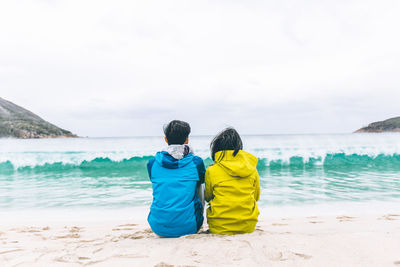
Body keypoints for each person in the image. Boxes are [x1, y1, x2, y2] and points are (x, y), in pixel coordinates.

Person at [147, 120, 205, 237]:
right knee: (199, 184)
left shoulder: (152, 163)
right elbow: (201, 182)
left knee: (161, 184)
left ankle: (164, 217)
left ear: (166, 139)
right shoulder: (195, 162)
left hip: (157, 227)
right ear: (187, 140)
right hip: (190, 227)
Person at [205, 127, 260, 235]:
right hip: (248, 227)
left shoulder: (212, 170)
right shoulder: (251, 169)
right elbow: (256, 197)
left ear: (216, 148)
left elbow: (208, 197)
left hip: (219, 227)